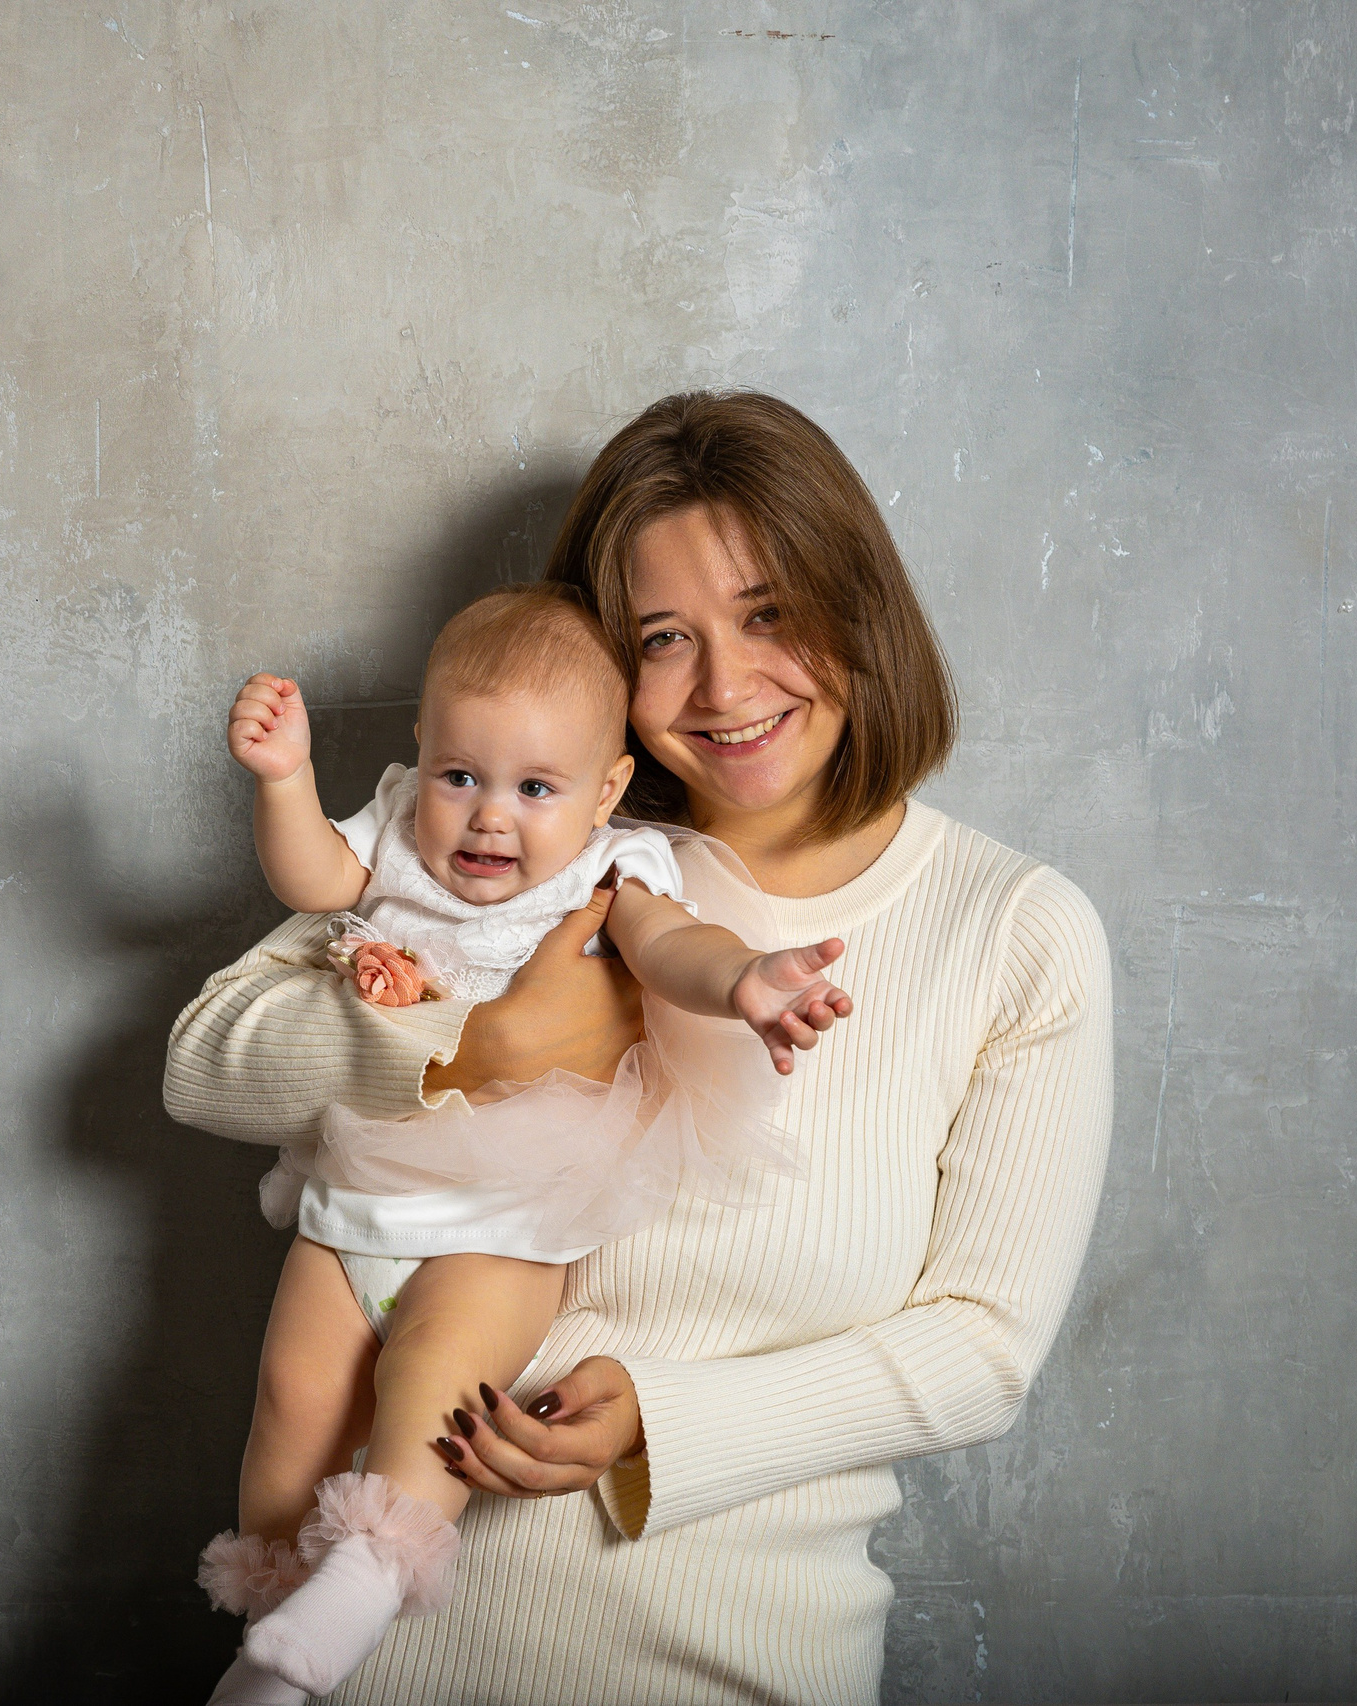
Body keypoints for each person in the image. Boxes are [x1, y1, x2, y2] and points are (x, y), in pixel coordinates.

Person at [166, 390, 1115, 1704]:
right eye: (666, 637)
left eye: (771, 612)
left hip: (726, 1663)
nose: (727, 686)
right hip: (369, 1670)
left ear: (861, 604)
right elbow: (206, 1059)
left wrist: (669, 1423)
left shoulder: (1011, 931)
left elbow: (984, 1343)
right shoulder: (516, 846)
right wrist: (475, 1044)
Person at [197, 584, 854, 1701]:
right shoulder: (402, 826)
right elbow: (312, 875)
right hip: (361, 1191)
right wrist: (283, 781)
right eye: (463, 775)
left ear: (603, 792)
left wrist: (742, 980)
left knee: (432, 1389)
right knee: (291, 1397)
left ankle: (358, 1587)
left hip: (509, 1216)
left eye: (535, 788)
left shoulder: (612, 869)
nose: (489, 816)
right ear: (421, 752)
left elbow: (673, 943)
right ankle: (272, 1625)